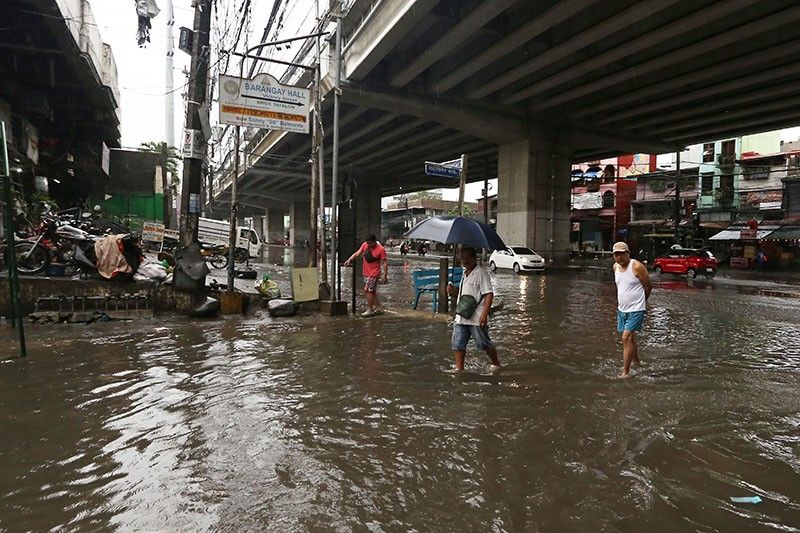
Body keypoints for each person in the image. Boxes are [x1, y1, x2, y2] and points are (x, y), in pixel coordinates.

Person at [447, 246, 501, 372]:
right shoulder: (464, 274)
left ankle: (496, 363)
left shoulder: (481, 273)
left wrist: (484, 314)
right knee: (458, 344)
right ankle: (459, 369)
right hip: (461, 316)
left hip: (476, 317)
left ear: (474, 258)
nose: (465, 261)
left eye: (468, 258)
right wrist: (452, 291)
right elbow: (462, 294)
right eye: (463, 258)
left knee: (484, 344)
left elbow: (489, 294)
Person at [612, 241, 652, 378]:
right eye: (616, 255)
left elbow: (648, 286)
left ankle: (625, 372)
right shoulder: (615, 267)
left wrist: (642, 304)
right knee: (631, 340)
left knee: (626, 337)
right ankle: (637, 362)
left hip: (636, 308)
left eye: (622, 254)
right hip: (622, 309)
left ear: (628, 253)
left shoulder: (637, 266)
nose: (619, 257)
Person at [344, 233, 388, 316]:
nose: (369, 245)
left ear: (374, 241)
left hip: (374, 273)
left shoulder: (381, 249)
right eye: (367, 243)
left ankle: (370, 309)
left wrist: (384, 276)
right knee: (372, 291)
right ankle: (379, 308)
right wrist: (349, 259)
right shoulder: (365, 245)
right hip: (366, 272)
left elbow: (384, 263)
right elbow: (357, 253)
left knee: (368, 290)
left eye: (370, 243)